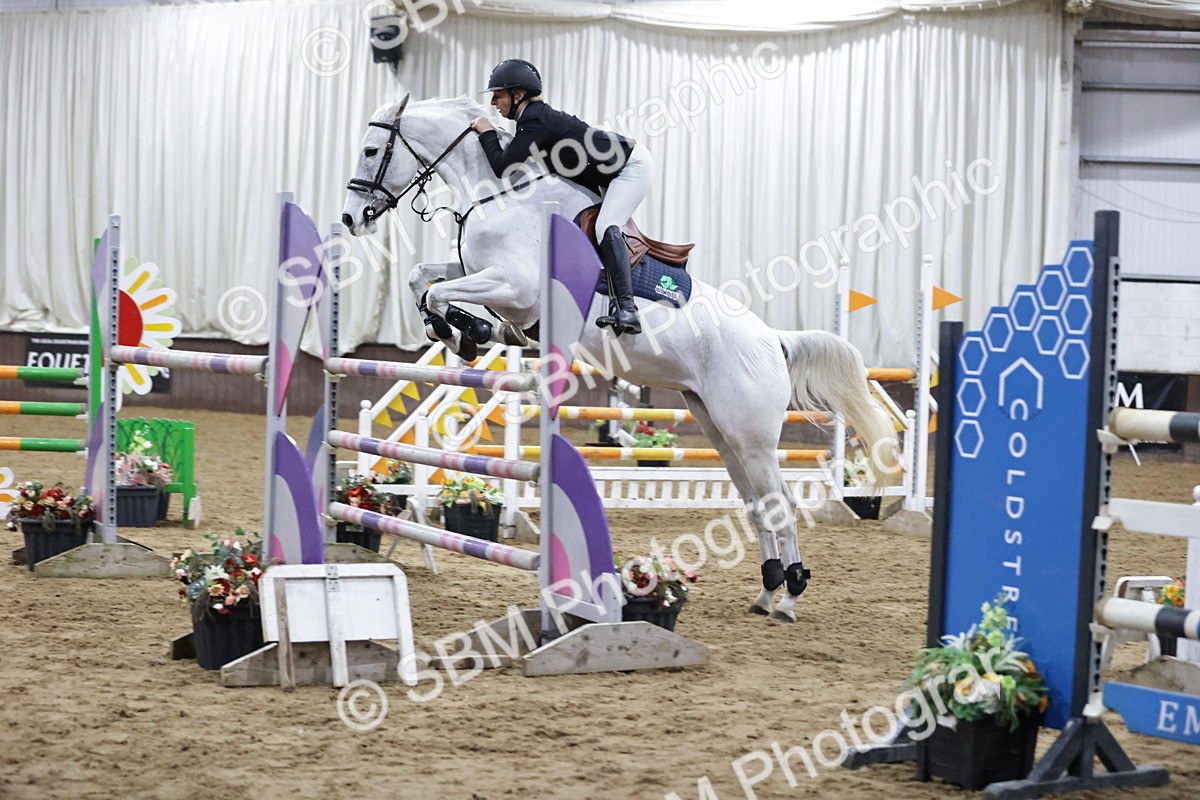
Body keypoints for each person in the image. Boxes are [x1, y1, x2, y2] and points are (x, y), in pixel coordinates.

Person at [468, 59, 651, 335]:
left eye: (498, 94)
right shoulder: (531, 121)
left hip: (630, 166)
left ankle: (627, 308)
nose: (493, 102)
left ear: (518, 95)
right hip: (605, 173)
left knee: (605, 226)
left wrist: (487, 132)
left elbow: (503, 167)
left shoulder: (534, 119)